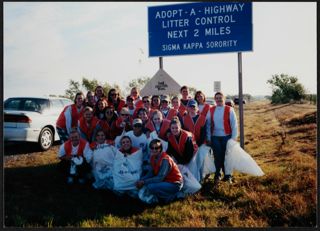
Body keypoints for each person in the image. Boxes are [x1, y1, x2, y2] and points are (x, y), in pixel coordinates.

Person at [136, 139, 183, 204]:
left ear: (160, 149)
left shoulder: (165, 159)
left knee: (150, 187)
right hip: (166, 181)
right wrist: (141, 180)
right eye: (152, 148)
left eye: (157, 148)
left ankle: (172, 197)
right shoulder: (153, 157)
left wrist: (144, 182)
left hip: (175, 184)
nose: (154, 150)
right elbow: (151, 172)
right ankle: (163, 197)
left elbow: (160, 178)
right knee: (147, 184)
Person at [206, 91, 238, 186]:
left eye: (220, 98)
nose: (219, 99)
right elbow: (207, 125)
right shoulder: (211, 109)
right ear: (215, 99)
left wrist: (233, 138)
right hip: (215, 137)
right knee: (217, 156)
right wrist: (208, 137)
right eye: (217, 98)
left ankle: (228, 175)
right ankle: (217, 175)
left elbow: (234, 125)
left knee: (227, 157)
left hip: (227, 137)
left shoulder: (229, 109)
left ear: (224, 99)